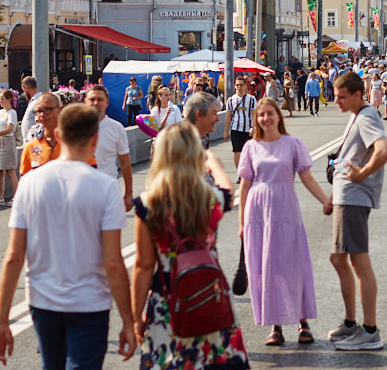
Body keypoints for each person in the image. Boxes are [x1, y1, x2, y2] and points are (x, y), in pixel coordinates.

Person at [0, 105, 136, 369]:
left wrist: (1, 321)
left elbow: (13, 256)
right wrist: (128, 321)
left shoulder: (29, 183)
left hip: (43, 302)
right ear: (95, 138)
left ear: (57, 135)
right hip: (90, 303)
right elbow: (113, 262)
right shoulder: (106, 188)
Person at [131, 124, 249, 369]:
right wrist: (214, 163)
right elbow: (228, 190)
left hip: (167, 299)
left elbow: (143, 266)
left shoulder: (148, 204)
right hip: (209, 294)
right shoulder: (209, 198)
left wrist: (134, 317)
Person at [239, 98, 331, 347]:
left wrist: (326, 201)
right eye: (261, 115)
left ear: (279, 116)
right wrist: (241, 224)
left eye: (270, 114)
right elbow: (245, 186)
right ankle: (275, 326)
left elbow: (307, 178)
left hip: (286, 210)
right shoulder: (250, 147)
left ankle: (303, 322)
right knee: (265, 268)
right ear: (256, 119)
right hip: (257, 213)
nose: (266, 119)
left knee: (293, 264)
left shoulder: (292, 144)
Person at [327, 71, 387, 351]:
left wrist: (363, 173)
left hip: (354, 197)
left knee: (358, 262)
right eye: (335, 95)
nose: (336, 101)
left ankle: (369, 330)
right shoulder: (357, 116)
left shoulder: (365, 117)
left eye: (342, 97)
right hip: (346, 195)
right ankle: (352, 323)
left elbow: (384, 150)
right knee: (338, 258)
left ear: (357, 94)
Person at [85, 85, 133, 212]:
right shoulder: (74, 127)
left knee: (109, 231)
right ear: (85, 102)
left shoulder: (116, 128)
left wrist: (129, 193)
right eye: (92, 99)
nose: (96, 103)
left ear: (107, 102)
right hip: (82, 193)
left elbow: (125, 162)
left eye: (100, 99)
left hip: (109, 191)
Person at [183, 92, 234, 191]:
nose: (218, 118)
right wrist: (216, 168)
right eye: (214, 113)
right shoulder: (182, 144)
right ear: (199, 115)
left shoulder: (202, 140)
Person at [20, 93, 62, 174]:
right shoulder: (31, 147)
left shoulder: (73, 144)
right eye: (39, 111)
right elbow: (24, 180)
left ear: (60, 110)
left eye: (48, 109)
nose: (42, 115)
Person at [223, 76, 257, 170]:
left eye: (241, 85)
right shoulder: (231, 100)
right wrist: (226, 131)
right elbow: (228, 116)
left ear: (245, 86)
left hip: (248, 129)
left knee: (248, 152)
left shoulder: (251, 99)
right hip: (235, 129)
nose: (239, 87)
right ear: (235, 86)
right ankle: (240, 173)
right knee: (237, 152)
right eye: (237, 85)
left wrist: (253, 127)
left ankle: (249, 171)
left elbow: (254, 114)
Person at [20, 76, 42, 142]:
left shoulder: (37, 101)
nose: (24, 93)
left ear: (26, 88)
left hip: (33, 141)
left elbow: (39, 122)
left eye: (23, 90)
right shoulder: (33, 101)